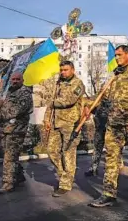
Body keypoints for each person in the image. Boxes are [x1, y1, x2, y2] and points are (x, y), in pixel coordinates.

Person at [89, 45, 128, 208]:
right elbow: (106, 100)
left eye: (119, 55)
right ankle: (109, 193)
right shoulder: (114, 76)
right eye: (115, 55)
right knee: (111, 158)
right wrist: (93, 107)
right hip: (114, 125)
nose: (116, 58)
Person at [44, 61, 90, 197]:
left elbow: (68, 101)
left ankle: (65, 183)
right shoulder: (58, 83)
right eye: (61, 70)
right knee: (51, 150)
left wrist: (52, 103)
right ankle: (64, 174)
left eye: (66, 70)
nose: (63, 72)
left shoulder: (78, 84)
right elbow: (50, 104)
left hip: (71, 124)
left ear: (73, 70)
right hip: (55, 123)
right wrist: (47, 119)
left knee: (68, 153)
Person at [0, 72, 33, 194]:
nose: (15, 81)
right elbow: (4, 108)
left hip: (16, 130)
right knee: (9, 155)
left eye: (17, 79)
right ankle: (18, 175)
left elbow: (16, 111)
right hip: (5, 129)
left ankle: (8, 183)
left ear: (22, 80)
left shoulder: (25, 93)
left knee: (9, 157)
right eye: (13, 79)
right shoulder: (9, 92)